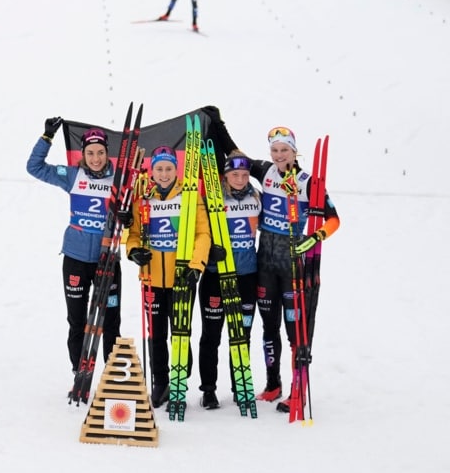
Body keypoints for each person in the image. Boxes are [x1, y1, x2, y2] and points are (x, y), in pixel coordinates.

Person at [25, 118, 123, 380]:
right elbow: (34, 167)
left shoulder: (120, 179)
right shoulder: (72, 175)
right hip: (76, 259)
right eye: (90, 153)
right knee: (77, 321)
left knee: (111, 322)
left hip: (108, 260)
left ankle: (113, 375)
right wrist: (46, 137)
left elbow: (137, 210)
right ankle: (79, 371)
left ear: (106, 152)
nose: (95, 158)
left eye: (100, 152)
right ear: (83, 154)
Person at [247, 127, 339, 404]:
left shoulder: (308, 182)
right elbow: (234, 155)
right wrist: (214, 123)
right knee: (268, 327)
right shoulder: (265, 172)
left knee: (294, 331)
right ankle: (273, 384)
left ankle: (296, 390)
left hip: (292, 268)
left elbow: (334, 220)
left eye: (284, 150)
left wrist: (312, 239)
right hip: (265, 263)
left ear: (294, 151)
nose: (278, 155)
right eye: (274, 150)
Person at [125, 146, 211, 408]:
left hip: (181, 277)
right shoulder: (143, 199)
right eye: (159, 169)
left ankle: (179, 381)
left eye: (169, 169)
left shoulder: (189, 196)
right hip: (152, 278)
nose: (164, 174)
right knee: (156, 334)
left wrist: (196, 266)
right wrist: (133, 252)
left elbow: (203, 234)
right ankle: (160, 382)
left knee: (180, 333)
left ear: (177, 169)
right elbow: (134, 235)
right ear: (152, 172)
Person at [196, 150, 260, 410]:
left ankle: (240, 386)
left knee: (241, 334)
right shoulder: (212, 198)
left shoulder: (257, 199)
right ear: (225, 175)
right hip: (215, 275)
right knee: (211, 336)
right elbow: (197, 231)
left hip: (246, 276)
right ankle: (208, 390)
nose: (241, 179)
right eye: (235, 174)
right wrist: (209, 252)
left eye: (245, 174)